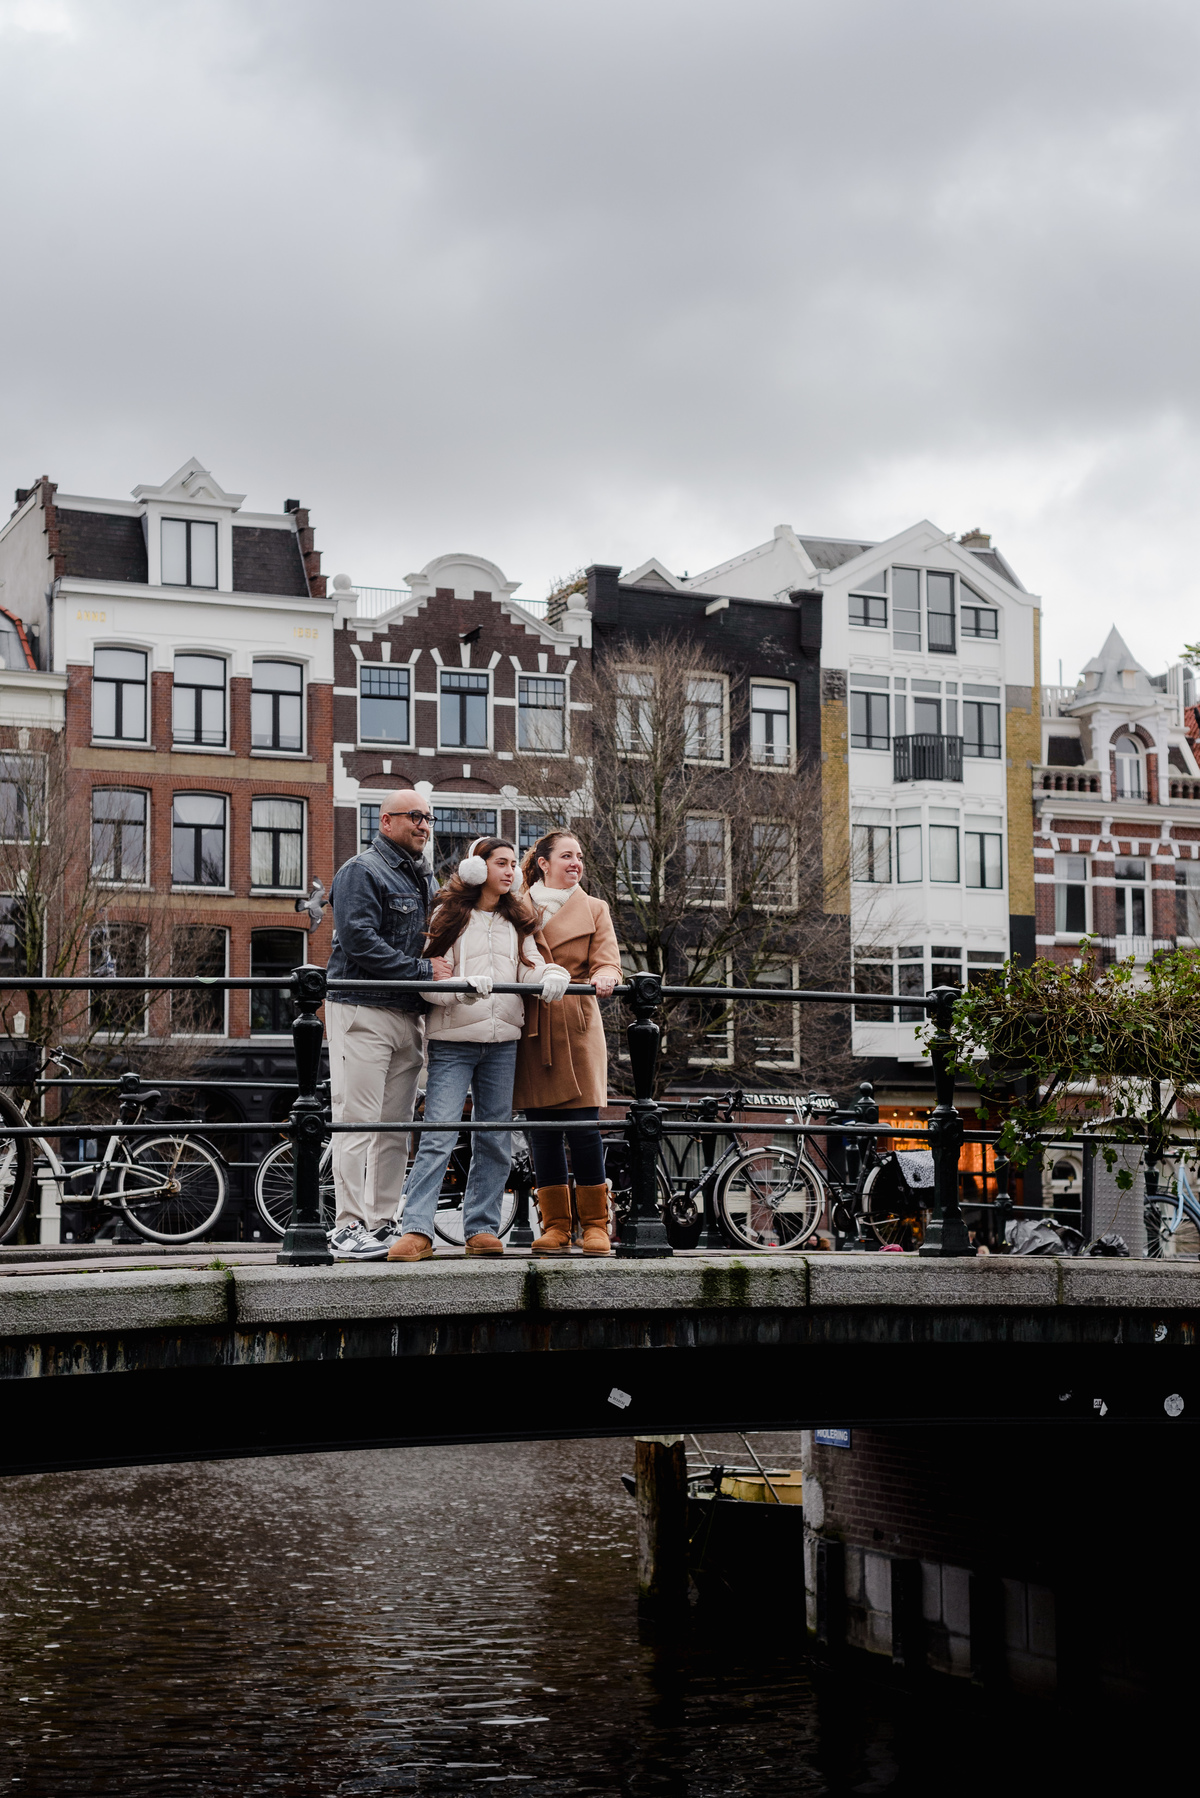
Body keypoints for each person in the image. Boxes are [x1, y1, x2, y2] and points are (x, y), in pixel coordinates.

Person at [387, 837, 570, 1262]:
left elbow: (529, 966)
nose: (510, 871)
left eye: (512, 865)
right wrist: (455, 991)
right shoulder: (448, 915)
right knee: (438, 1135)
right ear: (476, 868)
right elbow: (429, 980)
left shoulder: (518, 920)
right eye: (500, 863)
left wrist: (549, 974)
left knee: (494, 1138)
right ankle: (416, 1229)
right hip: (452, 1044)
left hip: (503, 1043)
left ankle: (482, 1228)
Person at [324, 790, 451, 1260]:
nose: (424, 824)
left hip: (407, 1014)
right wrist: (422, 974)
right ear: (386, 821)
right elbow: (358, 939)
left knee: (395, 1127)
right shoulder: (361, 870)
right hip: (363, 1008)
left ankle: (381, 1222)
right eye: (414, 817)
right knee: (356, 1120)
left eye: (428, 818)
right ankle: (347, 1226)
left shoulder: (422, 876)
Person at [514, 830, 622, 1257]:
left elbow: (608, 957)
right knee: (541, 1132)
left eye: (580, 856)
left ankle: (595, 1225)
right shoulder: (517, 907)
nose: (576, 863)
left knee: (583, 1128)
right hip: (534, 1023)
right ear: (543, 862)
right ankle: (556, 1225)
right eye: (566, 856)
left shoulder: (595, 908)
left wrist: (607, 975)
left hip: (576, 1024)